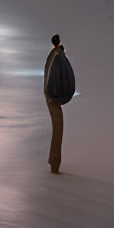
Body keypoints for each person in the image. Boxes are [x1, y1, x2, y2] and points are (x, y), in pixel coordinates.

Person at [43, 33, 69, 173]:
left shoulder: (54, 55)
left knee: (58, 130)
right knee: (58, 129)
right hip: (52, 98)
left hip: (51, 97)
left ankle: (54, 162)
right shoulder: (57, 56)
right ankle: (54, 164)